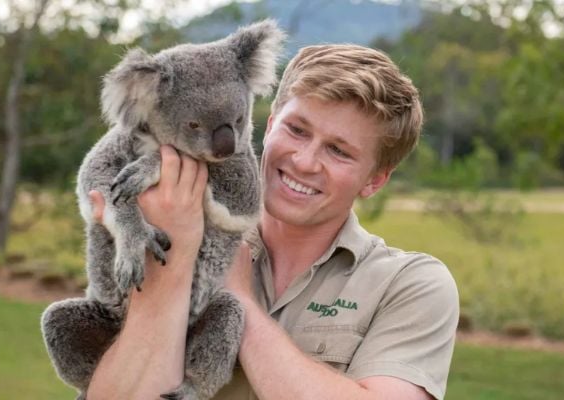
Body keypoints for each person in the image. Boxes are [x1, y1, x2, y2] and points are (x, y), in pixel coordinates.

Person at [86, 44, 459, 400]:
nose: (305, 161)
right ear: (268, 122)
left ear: (374, 180)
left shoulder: (412, 286)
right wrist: (176, 260)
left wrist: (235, 293)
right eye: (297, 130)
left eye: (338, 151)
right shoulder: (163, 225)